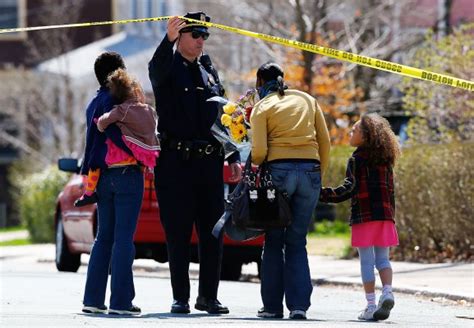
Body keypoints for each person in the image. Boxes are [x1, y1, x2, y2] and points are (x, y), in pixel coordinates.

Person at [148, 12, 241, 315]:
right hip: (176, 162)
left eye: (205, 35)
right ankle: (180, 297)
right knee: (177, 232)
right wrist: (168, 39)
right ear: (181, 36)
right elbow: (155, 69)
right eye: (196, 34)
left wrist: (233, 154)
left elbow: (223, 116)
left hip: (209, 163)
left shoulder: (208, 70)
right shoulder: (168, 66)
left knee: (212, 232)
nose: (201, 40)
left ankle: (208, 297)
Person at [250, 62, 331, 320]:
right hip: (310, 172)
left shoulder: (262, 107)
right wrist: (320, 174)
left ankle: (272, 307)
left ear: (260, 82)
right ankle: (298, 307)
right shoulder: (308, 100)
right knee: (297, 240)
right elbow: (325, 142)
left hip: (279, 173)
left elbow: (260, 152)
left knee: (274, 240)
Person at [319, 113, 401, 321]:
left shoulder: (356, 159)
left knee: (366, 261)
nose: (350, 132)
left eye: (355, 130)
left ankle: (371, 305)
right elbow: (390, 191)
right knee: (383, 259)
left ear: (366, 136)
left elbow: (350, 188)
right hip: (384, 216)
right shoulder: (386, 159)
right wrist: (390, 216)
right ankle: (388, 292)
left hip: (364, 216)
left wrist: (323, 193)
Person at [80, 52, 143, 316]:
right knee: (124, 239)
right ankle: (121, 302)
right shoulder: (119, 100)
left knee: (104, 237)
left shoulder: (94, 102)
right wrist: (142, 152)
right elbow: (118, 134)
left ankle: (93, 299)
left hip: (102, 176)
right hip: (127, 173)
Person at [75, 68, 160, 207]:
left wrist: (100, 125)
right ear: (138, 92)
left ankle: (89, 193)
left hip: (124, 154)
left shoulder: (122, 109)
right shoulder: (149, 109)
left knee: (95, 162)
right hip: (148, 150)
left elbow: (104, 120)